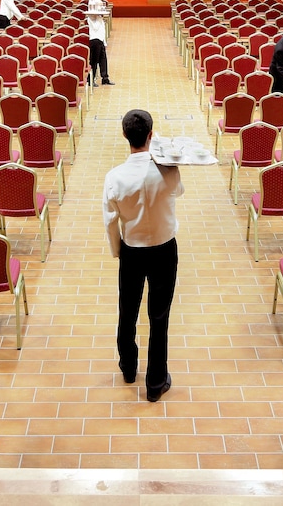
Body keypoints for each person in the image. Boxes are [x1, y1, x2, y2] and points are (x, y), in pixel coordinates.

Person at [103, 109, 184, 402]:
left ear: (125, 135)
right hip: (164, 248)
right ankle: (155, 382)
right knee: (159, 316)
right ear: (151, 135)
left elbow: (110, 221)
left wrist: (118, 251)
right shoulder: (168, 171)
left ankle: (128, 367)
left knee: (128, 310)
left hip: (132, 250)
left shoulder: (114, 177)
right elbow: (179, 191)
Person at [87, 2, 115, 86]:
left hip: (100, 41)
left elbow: (102, 31)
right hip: (94, 41)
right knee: (94, 62)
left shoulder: (99, 18)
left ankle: (105, 78)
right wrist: (99, 18)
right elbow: (95, 28)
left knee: (103, 60)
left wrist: (104, 43)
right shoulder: (90, 17)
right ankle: (90, 80)